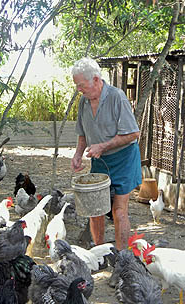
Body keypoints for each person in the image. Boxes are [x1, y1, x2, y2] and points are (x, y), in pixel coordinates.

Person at [71, 57, 142, 284]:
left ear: (96, 79)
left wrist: (103, 145)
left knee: (119, 211)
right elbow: (83, 132)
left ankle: (121, 263)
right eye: (76, 85)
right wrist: (77, 154)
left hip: (123, 157)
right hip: (100, 160)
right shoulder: (83, 101)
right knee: (95, 209)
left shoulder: (117, 97)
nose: (78, 89)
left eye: (81, 84)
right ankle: (100, 254)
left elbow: (133, 134)